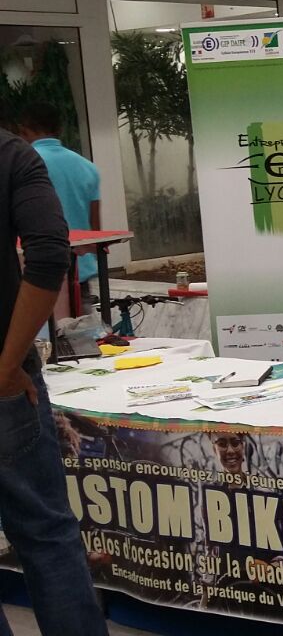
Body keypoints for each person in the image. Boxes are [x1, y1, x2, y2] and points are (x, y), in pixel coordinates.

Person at [0, 128, 107, 635]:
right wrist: (7, 364)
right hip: (7, 383)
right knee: (45, 534)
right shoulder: (11, 155)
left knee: (46, 533)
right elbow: (48, 254)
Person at [17, 103, 100, 310]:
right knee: (81, 329)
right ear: (60, 129)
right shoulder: (88, 167)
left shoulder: (23, 165)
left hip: (35, 274)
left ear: (23, 130)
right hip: (79, 271)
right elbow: (95, 230)